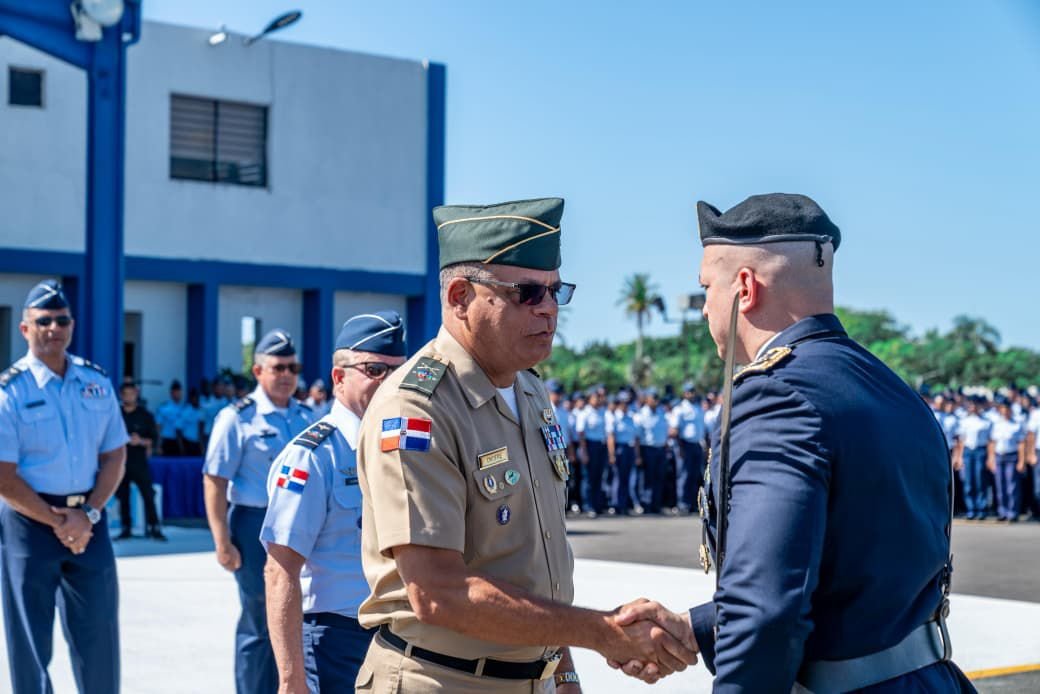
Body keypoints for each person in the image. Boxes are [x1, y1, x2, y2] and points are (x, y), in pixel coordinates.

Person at [614, 194, 975, 691]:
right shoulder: (890, 387)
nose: (703, 309)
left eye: (706, 289)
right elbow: (842, 574)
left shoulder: (775, 396)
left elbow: (766, 610)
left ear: (744, 287)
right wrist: (698, 630)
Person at [356, 198, 697, 692]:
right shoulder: (416, 410)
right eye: (527, 293)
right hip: (440, 679)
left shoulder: (529, 389)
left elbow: (536, 564)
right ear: (459, 297)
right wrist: (602, 633)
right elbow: (438, 593)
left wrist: (562, 670)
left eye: (557, 292)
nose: (549, 309)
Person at [263, 311, 408, 693]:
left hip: (404, 636)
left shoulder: (409, 447)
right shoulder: (312, 456)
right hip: (337, 640)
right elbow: (280, 571)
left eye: (399, 370)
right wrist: (291, 677)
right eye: (375, 369)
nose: (390, 382)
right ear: (339, 377)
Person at [0, 279, 128, 694]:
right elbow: (3, 475)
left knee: (100, 636)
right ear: (25, 329)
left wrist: (86, 515)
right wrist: (59, 521)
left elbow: (114, 456)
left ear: (71, 324)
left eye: (62, 319)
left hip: (90, 520)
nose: (54, 327)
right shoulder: (9, 392)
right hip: (29, 523)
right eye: (44, 321)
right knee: (30, 643)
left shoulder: (96, 382)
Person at [203, 330, 314, 694]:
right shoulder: (237, 418)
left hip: (302, 526)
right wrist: (222, 541)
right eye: (278, 367)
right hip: (254, 525)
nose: (286, 375)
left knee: (295, 616)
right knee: (260, 620)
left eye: (292, 367)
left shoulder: (307, 416)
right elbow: (215, 480)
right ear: (258, 371)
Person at [116, 381, 165, 540]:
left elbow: (154, 439)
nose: (128, 397)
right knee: (123, 496)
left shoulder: (145, 415)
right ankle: (126, 527)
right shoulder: (116, 414)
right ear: (121, 395)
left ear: (136, 394)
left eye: (131, 394)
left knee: (148, 494)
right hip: (120, 462)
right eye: (125, 394)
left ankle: (154, 527)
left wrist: (141, 441)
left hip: (139, 461)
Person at [670, 383, 706, 515]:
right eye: (689, 392)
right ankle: (682, 504)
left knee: (694, 475)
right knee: (683, 475)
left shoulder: (697, 408)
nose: (691, 394)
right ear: (684, 393)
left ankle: (691, 503)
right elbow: (674, 430)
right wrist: (680, 448)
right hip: (684, 444)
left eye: (693, 391)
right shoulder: (679, 409)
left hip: (696, 444)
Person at [989, 397, 1026, 522]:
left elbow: (1021, 444)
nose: (1005, 411)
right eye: (1003, 409)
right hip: (999, 456)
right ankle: (1002, 511)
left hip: (1012, 456)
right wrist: (991, 458)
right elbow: (992, 443)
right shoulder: (997, 424)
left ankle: (1012, 512)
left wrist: (1021, 461)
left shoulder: (1016, 424)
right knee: (1000, 486)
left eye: (1007, 409)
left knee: (1012, 486)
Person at [957, 397, 994, 520]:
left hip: (980, 451)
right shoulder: (965, 421)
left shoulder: (986, 421)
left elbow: (990, 441)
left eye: (975, 405)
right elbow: (961, 441)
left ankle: (981, 509)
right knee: (968, 482)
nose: (973, 407)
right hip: (968, 452)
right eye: (971, 405)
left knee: (980, 481)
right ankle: (971, 509)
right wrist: (959, 457)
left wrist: (990, 457)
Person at [634, 388, 669, 514]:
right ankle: (646, 504)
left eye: (656, 398)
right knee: (647, 478)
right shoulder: (641, 415)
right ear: (647, 399)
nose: (655, 401)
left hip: (660, 449)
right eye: (653, 398)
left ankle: (656, 504)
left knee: (659, 478)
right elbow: (637, 438)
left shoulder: (661, 412)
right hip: (647, 449)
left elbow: (665, 432)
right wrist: (638, 455)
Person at [575, 389, 609, 517]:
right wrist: (584, 452)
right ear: (589, 399)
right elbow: (581, 434)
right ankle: (588, 505)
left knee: (598, 477)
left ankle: (597, 505)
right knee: (589, 477)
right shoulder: (585, 413)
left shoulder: (601, 412)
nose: (598, 400)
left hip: (601, 445)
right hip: (589, 446)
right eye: (596, 398)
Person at [606, 390, 640, 514]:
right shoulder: (614, 417)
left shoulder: (631, 417)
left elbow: (635, 438)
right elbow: (611, 437)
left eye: (627, 402)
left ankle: (624, 504)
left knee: (626, 478)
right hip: (619, 448)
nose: (625, 405)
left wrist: (637, 455)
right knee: (618, 478)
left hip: (629, 448)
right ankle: (616, 504)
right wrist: (612, 454)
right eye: (623, 403)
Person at [156, 380, 185, 455]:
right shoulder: (164, 408)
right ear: (171, 393)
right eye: (176, 392)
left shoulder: (184, 407)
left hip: (181, 441)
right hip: (167, 441)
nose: (178, 394)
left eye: (179, 392)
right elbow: (159, 426)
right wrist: (158, 445)